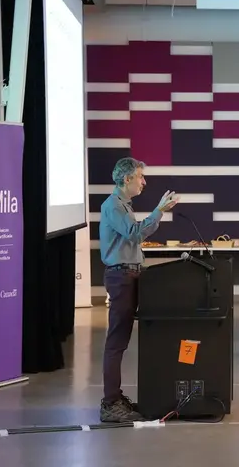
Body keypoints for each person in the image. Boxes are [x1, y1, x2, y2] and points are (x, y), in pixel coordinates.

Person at [99, 157, 179, 422]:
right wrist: (158, 211)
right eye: (140, 177)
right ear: (127, 179)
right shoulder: (113, 206)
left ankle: (116, 397)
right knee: (116, 342)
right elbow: (134, 234)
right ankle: (110, 403)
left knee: (121, 341)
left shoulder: (124, 205)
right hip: (121, 278)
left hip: (131, 276)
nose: (144, 181)